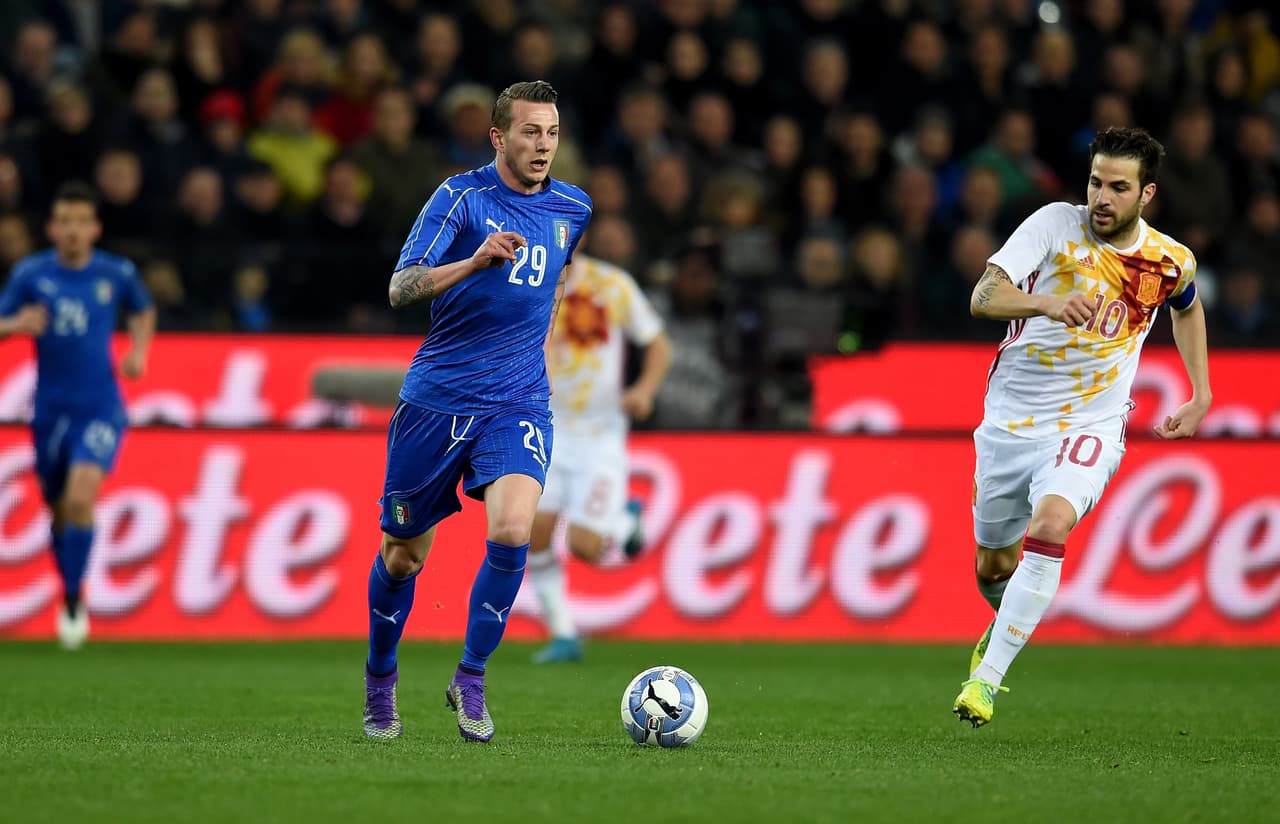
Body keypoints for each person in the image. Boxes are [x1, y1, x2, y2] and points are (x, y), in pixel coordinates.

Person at [955, 127, 1210, 727]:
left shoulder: (1167, 260)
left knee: (1052, 523)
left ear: (1145, 195)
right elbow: (983, 296)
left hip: (1092, 421)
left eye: (1118, 187)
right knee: (992, 567)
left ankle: (985, 682)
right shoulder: (1052, 225)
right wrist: (1042, 302)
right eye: (1096, 181)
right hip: (1009, 424)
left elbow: (1188, 307)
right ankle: (1005, 618)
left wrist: (1201, 394)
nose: (1102, 196)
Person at [362, 80, 591, 742]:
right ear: (499, 137)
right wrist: (475, 260)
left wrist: (534, 349)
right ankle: (381, 679)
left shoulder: (573, 208)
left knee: (514, 529)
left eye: (550, 133)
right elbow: (401, 287)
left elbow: (555, 282)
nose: (542, 145)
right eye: (528, 132)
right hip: (437, 401)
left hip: (517, 400)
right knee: (404, 556)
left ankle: (471, 676)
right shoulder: (459, 198)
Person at [0, 181, 154, 649]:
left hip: (101, 405)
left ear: (94, 228)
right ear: (51, 228)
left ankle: (72, 597)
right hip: (50, 409)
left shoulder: (116, 272)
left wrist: (138, 352)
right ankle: (70, 585)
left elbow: (143, 310)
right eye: (64, 222)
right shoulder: (31, 274)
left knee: (81, 497)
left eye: (80, 222)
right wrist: (16, 324)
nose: (72, 231)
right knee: (58, 508)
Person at [526, 252, 672, 664]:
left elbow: (658, 345)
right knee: (531, 532)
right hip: (544, 423)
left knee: (586, 548)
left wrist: (644, 390)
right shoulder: (526, 277)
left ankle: (625, 519)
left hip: (599, 432)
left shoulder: (610, 283)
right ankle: (563, 633)